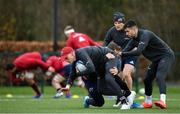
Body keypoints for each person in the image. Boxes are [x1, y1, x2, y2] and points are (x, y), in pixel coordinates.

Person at [60, 46, 136, 109]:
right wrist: (67, 86)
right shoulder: (75, 60)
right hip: (101, 66)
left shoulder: (80, 53)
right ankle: (128, 93)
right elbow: (72, 74)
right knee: (101, 89)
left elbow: (91, 68)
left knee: (108, 78)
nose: (66, 60)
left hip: (109, 57)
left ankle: (124, 102)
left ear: (72, 53)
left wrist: (78, 73)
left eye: (66, 57)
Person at [122, 19, 175, 109]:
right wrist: (114, 54)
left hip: (166, 56)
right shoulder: (133, 40)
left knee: (159, 76)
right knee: (147, 80)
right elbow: (124, 51)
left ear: (134, 29)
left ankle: (162, 101)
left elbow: (138, 51)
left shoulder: (145, 34)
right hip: (156, 60)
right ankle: (148, 102)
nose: (126, 34)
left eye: (127, 31)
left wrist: (122, 54)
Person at [103, 12, 137, 90]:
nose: (117, 25)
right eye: (115, 23)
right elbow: (105, 42)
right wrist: (103, 52)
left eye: (120, 23)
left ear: (124, 24)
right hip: (120, 55)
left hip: (131, 54)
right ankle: (121, 95)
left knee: (126, 74)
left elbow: (138, 40)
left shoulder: (129, 30)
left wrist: (137, 48)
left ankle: (130, 95)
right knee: (118, 77)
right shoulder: (112, 31)